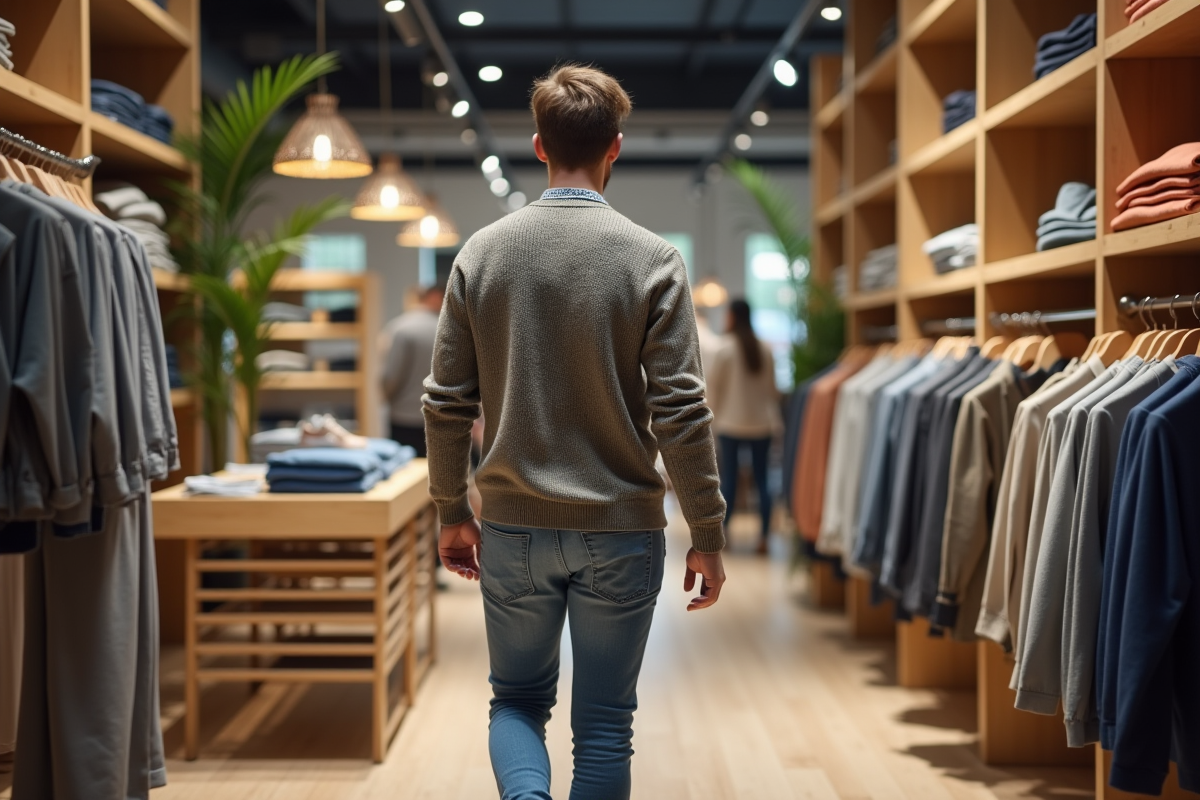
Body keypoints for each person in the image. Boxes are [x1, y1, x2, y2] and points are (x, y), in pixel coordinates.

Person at [422, 64, 727, 800]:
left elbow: (444, 403)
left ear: (538, 145)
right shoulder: (654, 259)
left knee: (517, 703)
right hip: (620, 528)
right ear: (615, 147)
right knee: (603, 725)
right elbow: (681, 410)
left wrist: (451, 512)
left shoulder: (482, 255)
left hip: (515, 527)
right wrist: (708, 533)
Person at [707, 298, 781, 555]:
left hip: (730, 423)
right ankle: (764, 538)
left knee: (729, 479)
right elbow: (773, 391)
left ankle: (724, 533)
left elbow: (713, 390)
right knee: (763, 480)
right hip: (762, 424)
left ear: (732, 317)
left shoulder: (725, 349)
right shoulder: (765, 349)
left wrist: (711, 421)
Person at [381, 284, 443, 457]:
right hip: (444, 417)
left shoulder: (401, 328)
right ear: (435, 297)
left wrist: (386, 398)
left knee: (406, 473)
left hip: (404, 416)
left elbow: (391, 377)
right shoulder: (452, 329)